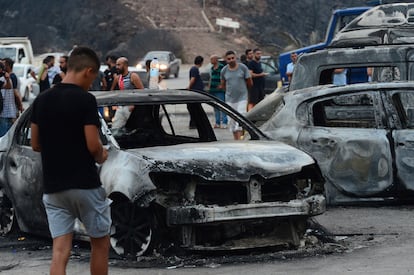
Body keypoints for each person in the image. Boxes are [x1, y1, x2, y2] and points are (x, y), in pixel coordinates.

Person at [30, 46, 110, 275]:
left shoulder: (41, 100)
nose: (91, 83)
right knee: (100, 244)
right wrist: (102, 154)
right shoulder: (85, 100)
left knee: (60, 250)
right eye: (93, 78)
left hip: (54, 187)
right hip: (84, 184)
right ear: (88, 70)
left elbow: (36, 144)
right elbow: (93, 145)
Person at [220, 50, 252, 140]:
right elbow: (223, 84)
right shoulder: (224, 70)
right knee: (232, 121)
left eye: (232, 58)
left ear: (236, 58)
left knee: (241, 118)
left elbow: (249, 82)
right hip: (230, 99)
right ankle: (236, 140)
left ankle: (240, 140)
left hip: (242, 97)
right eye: (229, 59)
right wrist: (229, 91)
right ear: (226, 60)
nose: (231, 60)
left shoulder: (243, 68)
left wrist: (245, 91)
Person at [208, 54, 227, 128]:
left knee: (222, 106)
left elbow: (225, 78)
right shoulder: (212, 68)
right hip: (213, 90)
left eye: (212, 59)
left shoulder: (222, 67)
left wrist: (222, 85)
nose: (211, 61)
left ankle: (224, 122)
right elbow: (211, 78)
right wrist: (209, 87)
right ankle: (217, 122)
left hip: (220, 91)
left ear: (216, 59)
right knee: (215, 107)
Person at [187, 55, 204, 129]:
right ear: (201, 62)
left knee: (195, 108)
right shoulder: (194, 69)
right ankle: (193, 123)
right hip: (195, 92)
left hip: (196, 91)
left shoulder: (195, 69)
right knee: (195, 108)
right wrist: (189, 87)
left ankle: (195, 123)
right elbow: (193, 79)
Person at [0, 61, 16, 136]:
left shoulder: (5, 79)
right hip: (8, 112)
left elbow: (8, 88)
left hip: (4, 113)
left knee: (4, 137)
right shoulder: (7, 78)